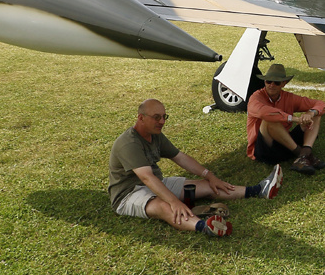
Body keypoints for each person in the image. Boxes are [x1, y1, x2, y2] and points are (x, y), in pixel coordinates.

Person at [109, 99, 281, 236]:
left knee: (208, 186)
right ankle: (204, 226)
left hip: (155, 183)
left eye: (164, 117)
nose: (162, 121)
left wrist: (209, 175)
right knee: (165, 207)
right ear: (141, 118)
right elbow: (147, 177)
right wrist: (174, 201)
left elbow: (180, 158)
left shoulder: (155, 135)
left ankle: (258, 190)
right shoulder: (128, 143)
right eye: (156, 117)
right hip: (129, 194)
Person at [246, 64, 325, 175]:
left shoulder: (289, 97)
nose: (271, 85)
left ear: (284, 84)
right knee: (269, 120)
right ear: (264, 82)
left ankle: (304, 155)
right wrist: (294, 119)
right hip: (265, 151)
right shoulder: (256, 97)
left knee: (316, 115)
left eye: (277, 82)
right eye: (268, 81)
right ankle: (304, 155)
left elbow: (321, 104)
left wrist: (311, 113)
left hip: (285, 144)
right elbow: (264, 112)